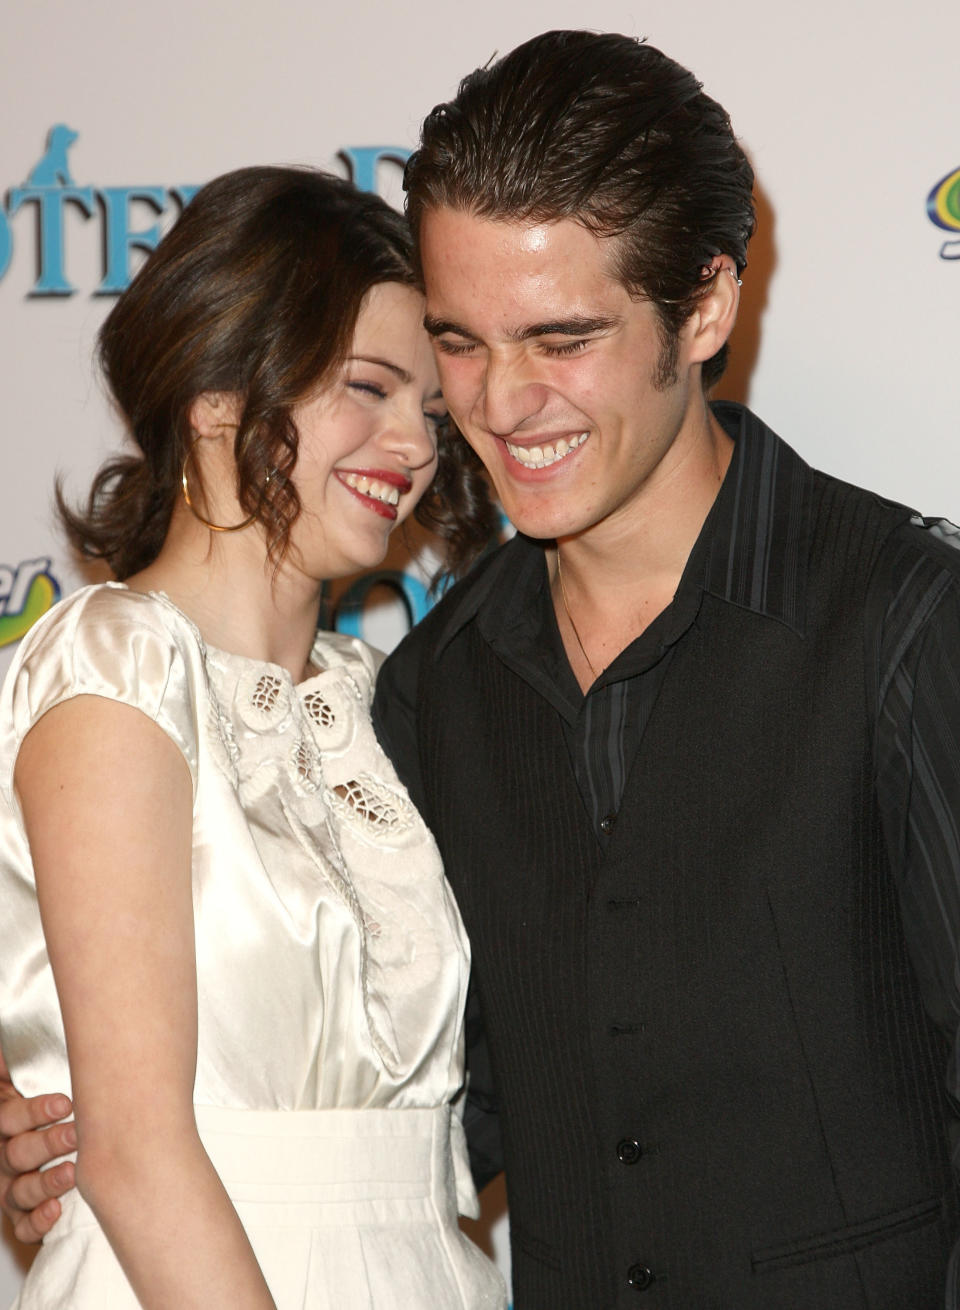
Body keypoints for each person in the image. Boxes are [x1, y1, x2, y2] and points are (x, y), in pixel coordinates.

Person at [5, 28, 960, 1310]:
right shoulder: (429, 688)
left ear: (707, 306)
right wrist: (77, 1121)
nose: (499, 405)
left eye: (560, 337)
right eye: (459, 341)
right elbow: (445, 1108)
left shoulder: (902, 618)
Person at [0, 165, 506, 1309]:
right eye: (367, 388)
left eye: (428, 410)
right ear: (217, 393)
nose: (414, 446)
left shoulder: (382, 699)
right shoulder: (114, 662)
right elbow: (134, 1155)